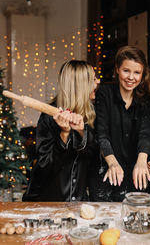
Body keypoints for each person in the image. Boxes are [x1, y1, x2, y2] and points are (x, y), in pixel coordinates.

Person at [22, 60, 100, 202]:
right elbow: (45, 166)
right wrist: (64, 134)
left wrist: (82, 132)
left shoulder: (92, 113)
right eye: (93, 79)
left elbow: (94, 158)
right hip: (48, 201)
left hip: (79, 200)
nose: (98, 82)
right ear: (81, 85)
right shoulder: (48, 117)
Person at [90, 46, 150, 202]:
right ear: (117, 70)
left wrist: (141, 162)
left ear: (143, 74)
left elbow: (146, 133)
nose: (131, 77)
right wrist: (112, 163)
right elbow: (102, 133)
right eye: (126, 71)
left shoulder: (146, 99)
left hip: (135, 174)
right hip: (106, 173)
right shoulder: (104, 93)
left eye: (137, 73)